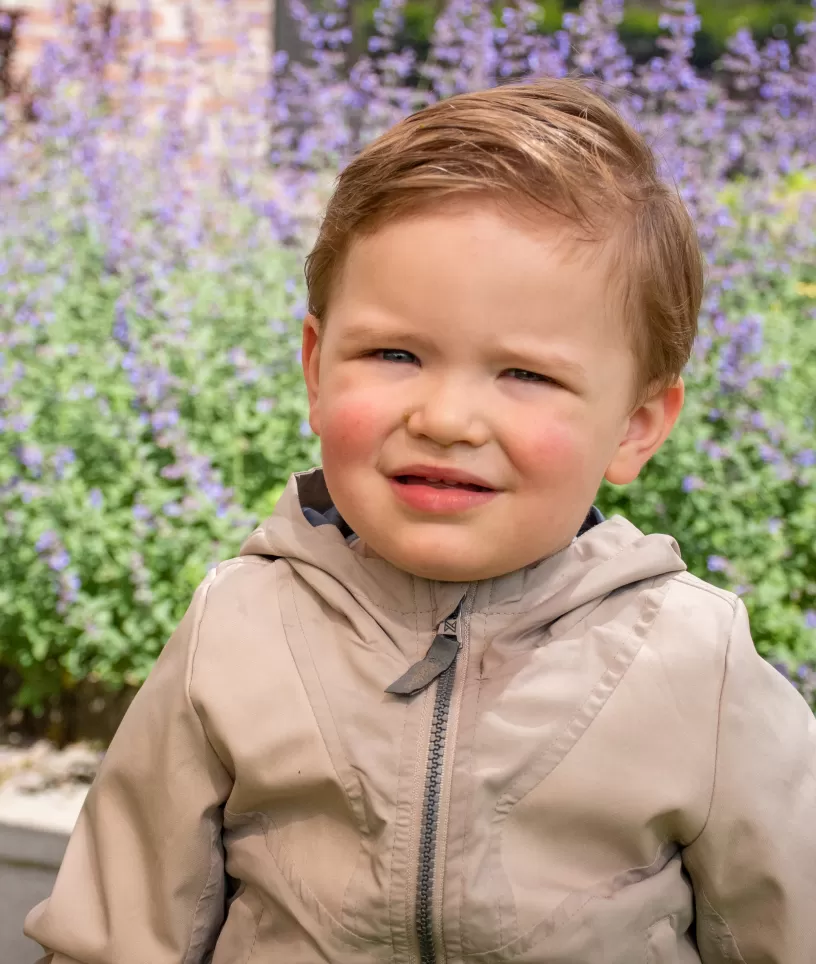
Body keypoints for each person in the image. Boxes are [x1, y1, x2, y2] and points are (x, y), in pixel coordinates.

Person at [25, 78, 816, 964]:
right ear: (316, 369)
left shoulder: (694, 663)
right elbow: (117, 934)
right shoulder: (238, 629)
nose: (445, 418)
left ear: (635, 425)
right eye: (395, 353)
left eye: (526, 374)